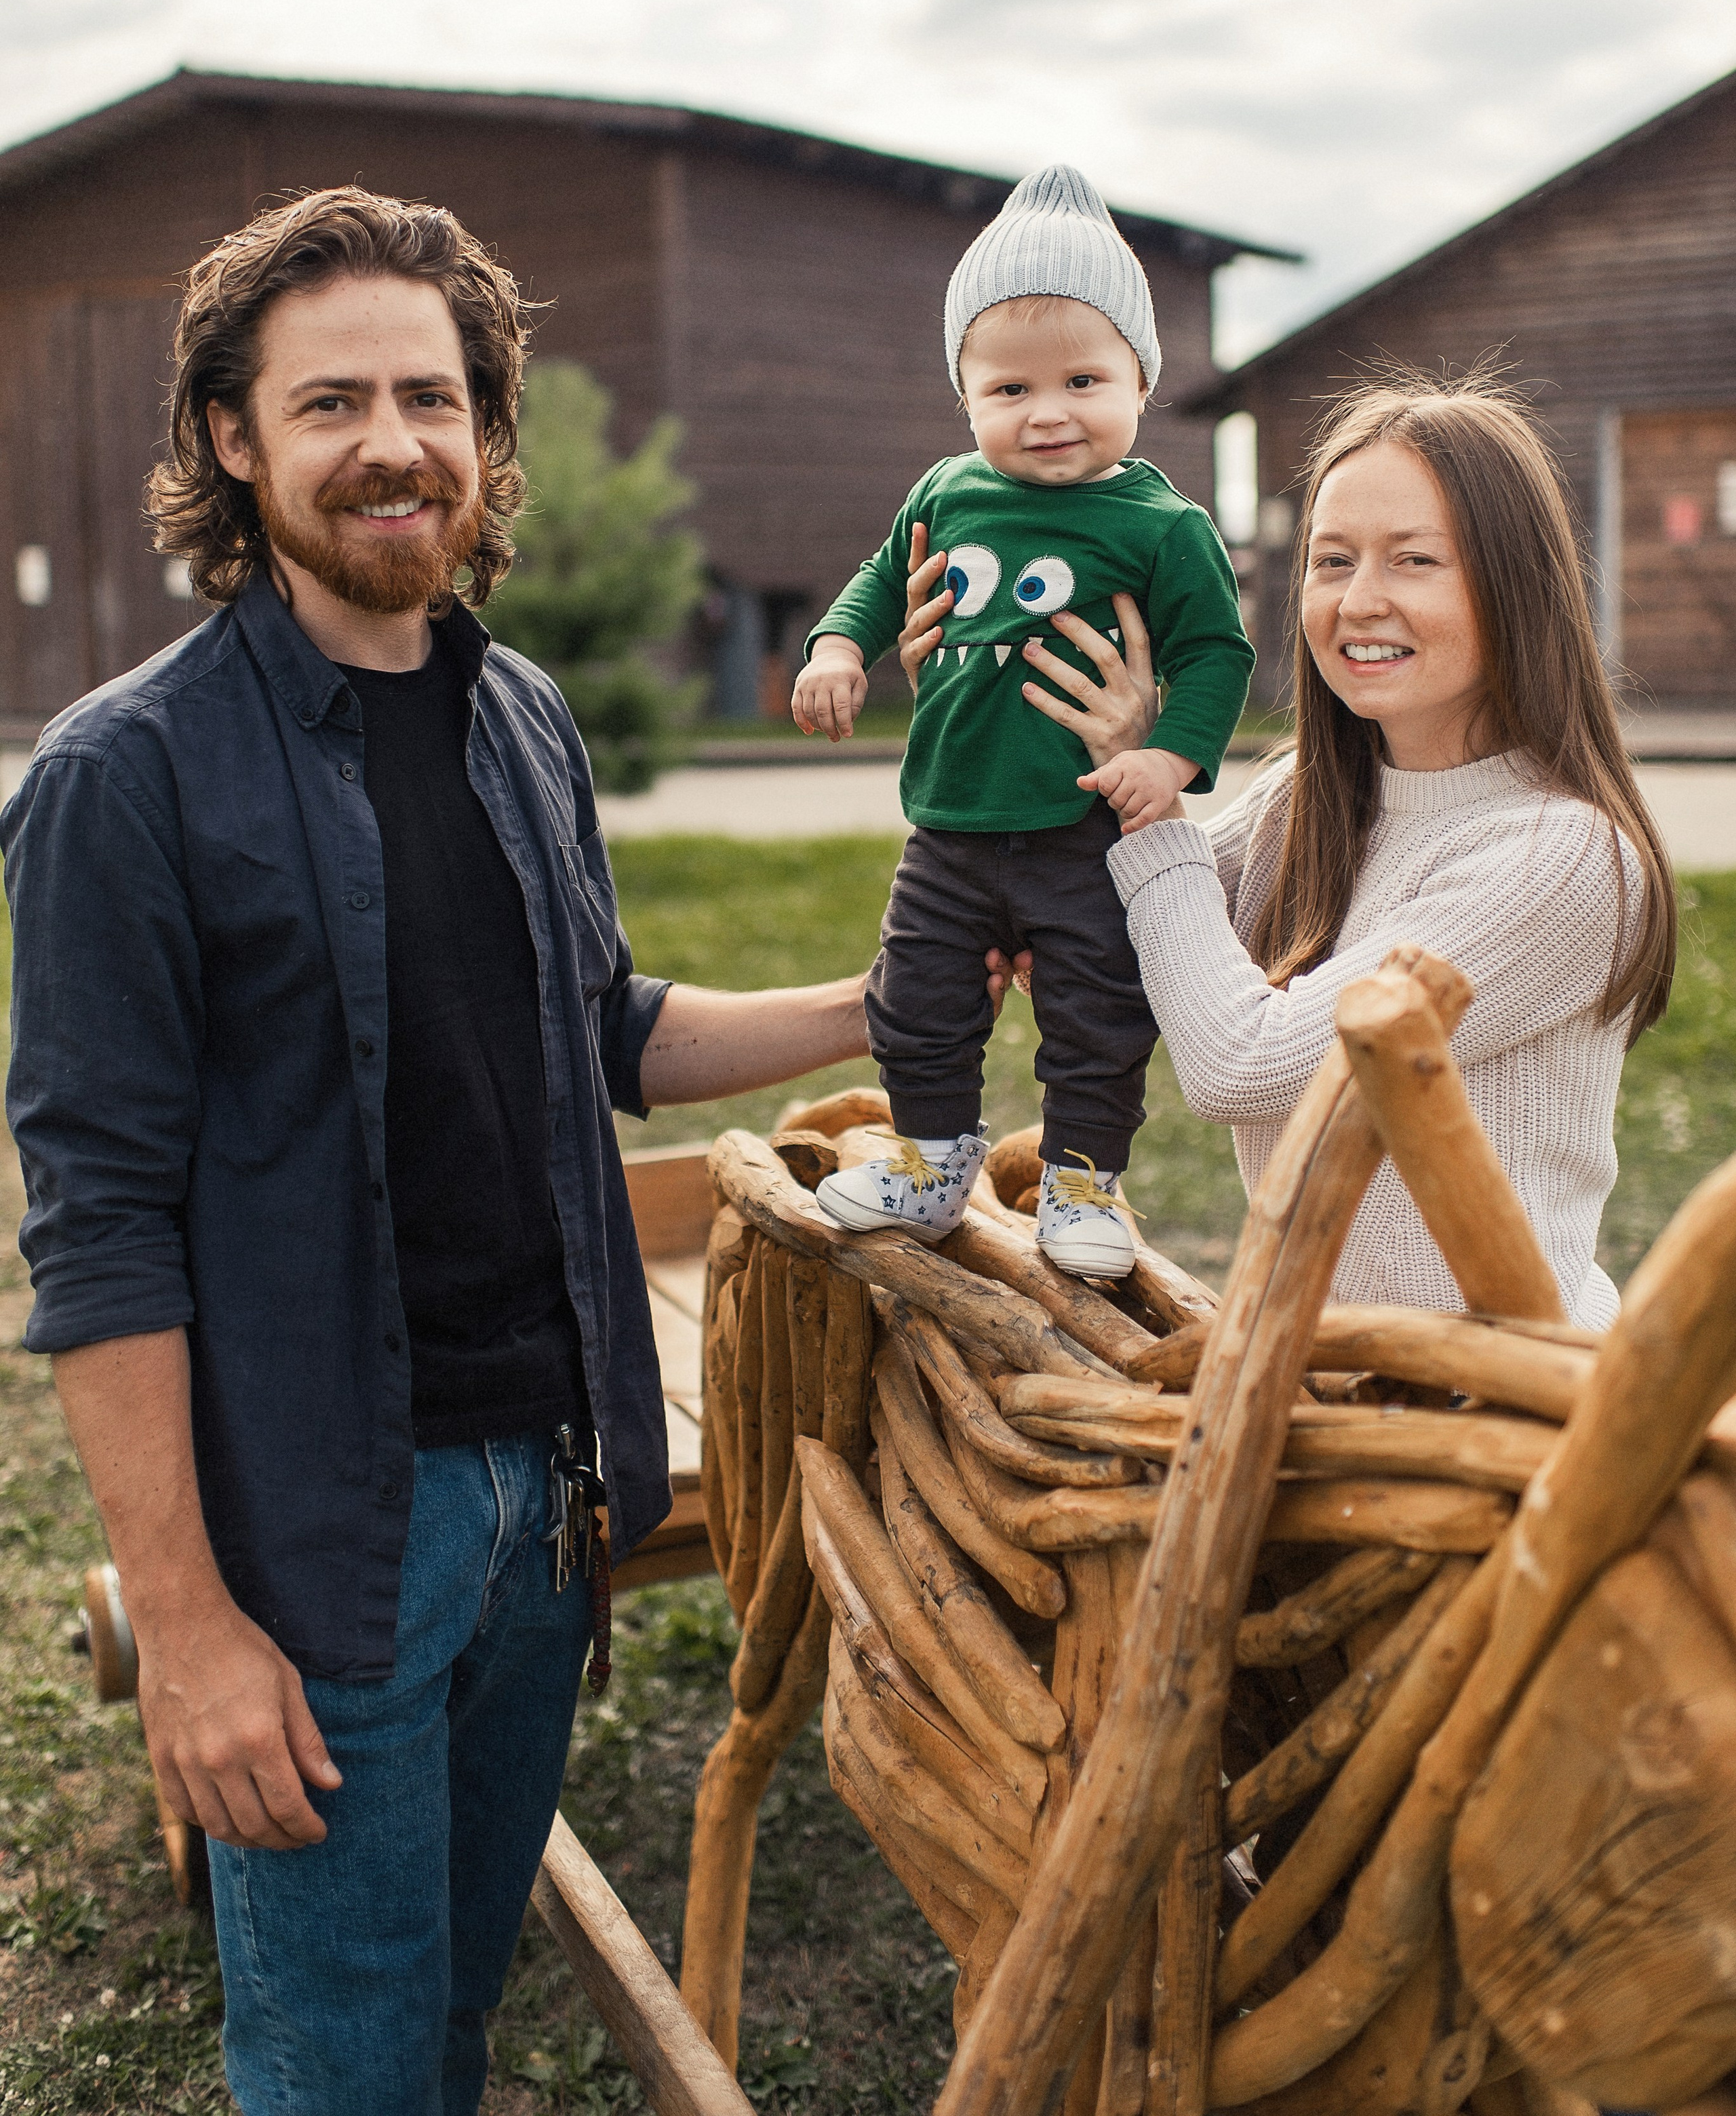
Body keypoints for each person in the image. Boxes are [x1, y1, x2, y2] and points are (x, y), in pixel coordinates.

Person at [0, 187, 908, 2116]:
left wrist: (875, 1002)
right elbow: (100, 1241)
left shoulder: (520, 717)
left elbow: (598, 1033)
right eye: (331, 403)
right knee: (343, 2075)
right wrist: (185, 1630)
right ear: (232, 442)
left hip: (551, 1495)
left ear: (488, 434)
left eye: (434, 394)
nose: (394, 441)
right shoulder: (121, 778)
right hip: (329, 1540)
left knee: (451, 2026)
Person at [907, 365, 1677, 1331]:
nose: (1358, 602)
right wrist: (969, 689)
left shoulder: (1560, 859)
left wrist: (1151, 801)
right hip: (1324, 1379)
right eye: (1333, 560)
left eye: (1414, 560)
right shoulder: (1304, 801)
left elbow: (1240, 1063)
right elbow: (1091, 917)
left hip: (1497, 1405)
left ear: (1515, 585)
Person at [791, 165, 1253, 1280]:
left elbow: (1214, 655)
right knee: (913, 1003)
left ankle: (1084, 1182)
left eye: (1083, 380)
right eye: (1007, 391)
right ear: (966, 396)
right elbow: (874, 580)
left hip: (1082, 829)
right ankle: (933, 1157)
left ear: (1141, 379)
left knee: (1100, 1013)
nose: (1047, 414)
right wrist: (839, 648)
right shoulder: (946, 491)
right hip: (949, 827)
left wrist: (1170, 755)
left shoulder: (1162, 524)